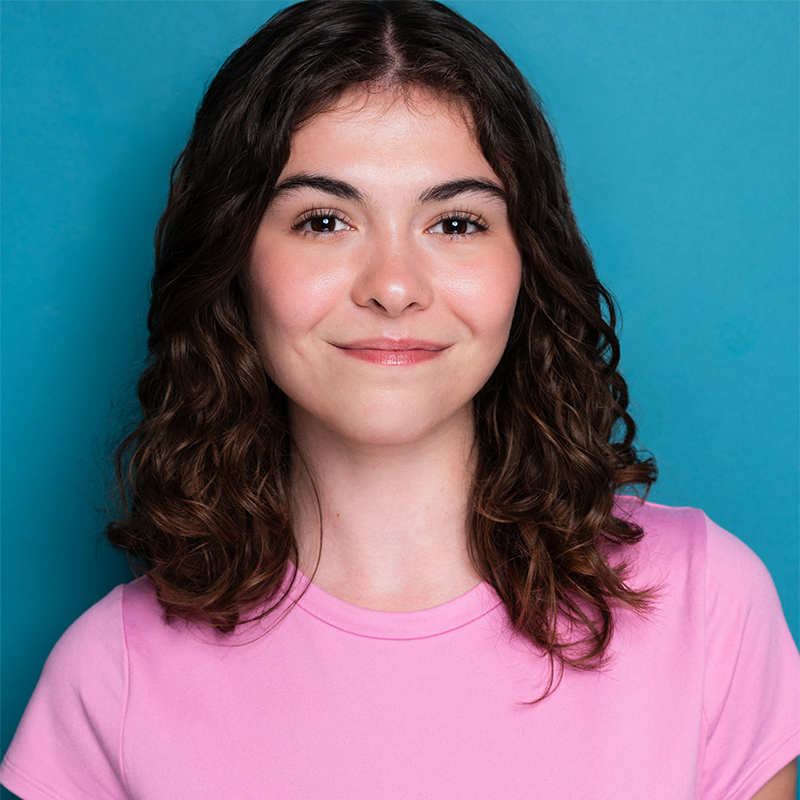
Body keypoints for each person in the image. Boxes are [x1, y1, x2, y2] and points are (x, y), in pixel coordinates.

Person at [1, 1, 797, 797]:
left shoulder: (704, 605)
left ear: (527, 262)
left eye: (454, 223)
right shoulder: (110, 680)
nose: (392, 286)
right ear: (233, 261)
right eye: (323, 220)